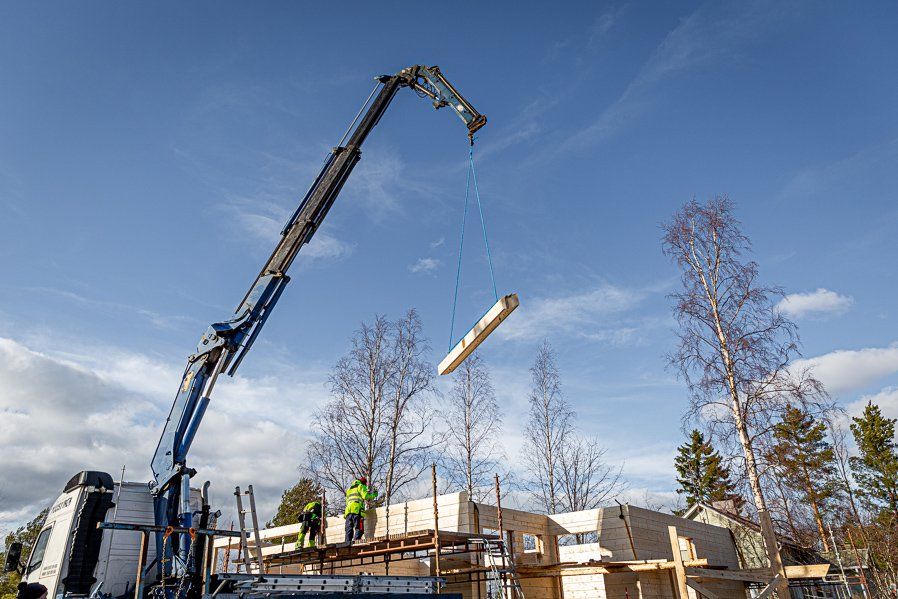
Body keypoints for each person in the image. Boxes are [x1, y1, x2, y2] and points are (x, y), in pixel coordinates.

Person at [344, 475, 377, 544]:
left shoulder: (349, 489)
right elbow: (366, 496)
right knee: (359, 528)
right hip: (357, 510)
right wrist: (374, 495)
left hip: (348, 511)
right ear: (364, 483)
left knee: (349, 528)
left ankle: (347, 543)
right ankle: (356, 542)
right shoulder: (361, 486)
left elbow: (347, 501)